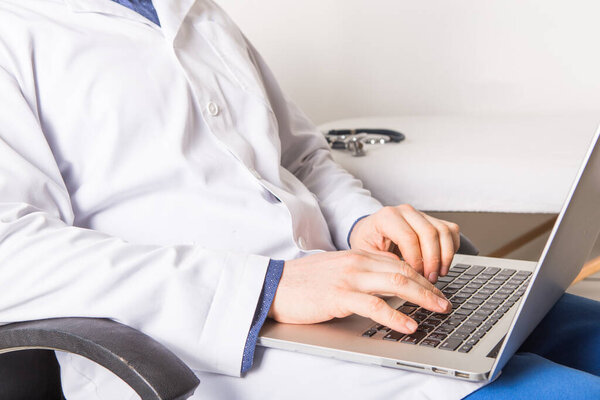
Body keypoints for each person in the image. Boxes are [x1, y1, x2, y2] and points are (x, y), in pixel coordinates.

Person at [0, 1, 598, 399]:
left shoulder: (193, 10)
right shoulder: (16, 30)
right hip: (218, 351)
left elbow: (299, 157)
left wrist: (361, 220)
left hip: (352, 301)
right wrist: (268, 287)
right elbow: (10, 257)